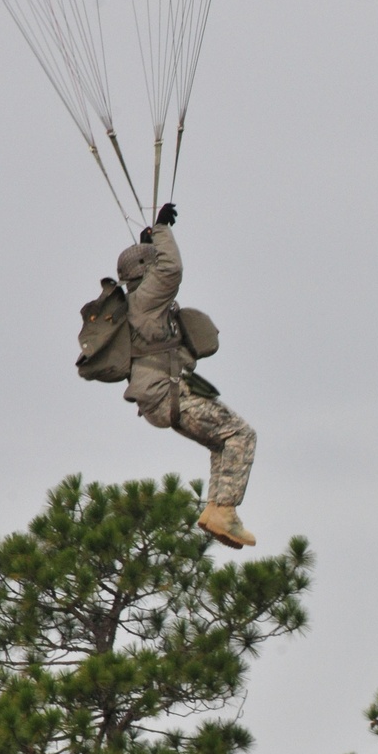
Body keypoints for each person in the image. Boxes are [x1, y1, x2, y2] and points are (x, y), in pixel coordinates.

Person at [118, 203, 257, 550]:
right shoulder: (147, 299)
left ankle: (217, 509)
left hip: (161, 401)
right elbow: (172, 269)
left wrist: (149, 243)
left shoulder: (137, 302)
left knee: (221, 441)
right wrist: (163, 230)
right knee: (241, 434)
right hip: (169, 396)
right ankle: (223, 509)